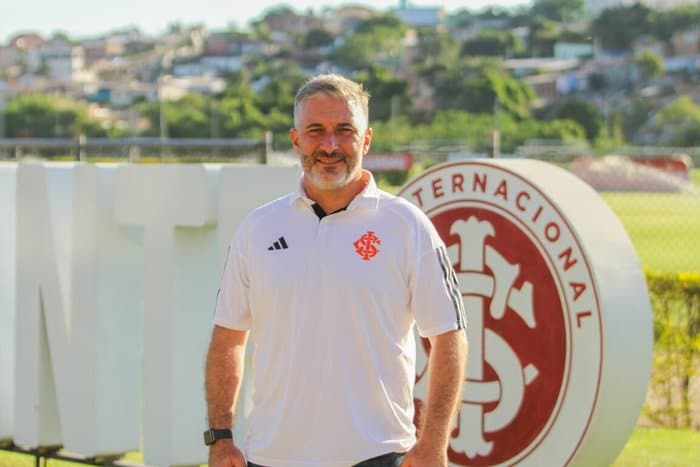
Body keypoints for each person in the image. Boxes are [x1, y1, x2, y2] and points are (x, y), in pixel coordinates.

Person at [205, 73, 468, 467]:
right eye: (316, 131)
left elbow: (449, 338)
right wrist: (221, 436)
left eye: (344, 130)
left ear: (366, 139)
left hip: (377, 455)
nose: (330, 145)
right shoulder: (258, 228)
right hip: (272, 457)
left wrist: (433, 441)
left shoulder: (407, 226)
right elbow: (228, 339)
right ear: (296, 141)